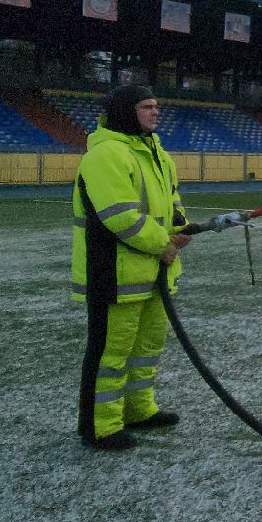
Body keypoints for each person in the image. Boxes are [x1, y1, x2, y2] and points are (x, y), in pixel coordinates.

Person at [72, 84, 191, 451]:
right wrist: (163, 244)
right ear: (126, 111)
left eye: (157, 106)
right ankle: (99, 427)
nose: (156, 112)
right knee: (110, 353)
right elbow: (118, 216)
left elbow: (172, 202)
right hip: (114, 275)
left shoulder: (158, 154)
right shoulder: (106, 154)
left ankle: (139, 410)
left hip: (153, 275)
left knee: (146, 349)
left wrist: (180, 228)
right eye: (146, 106)